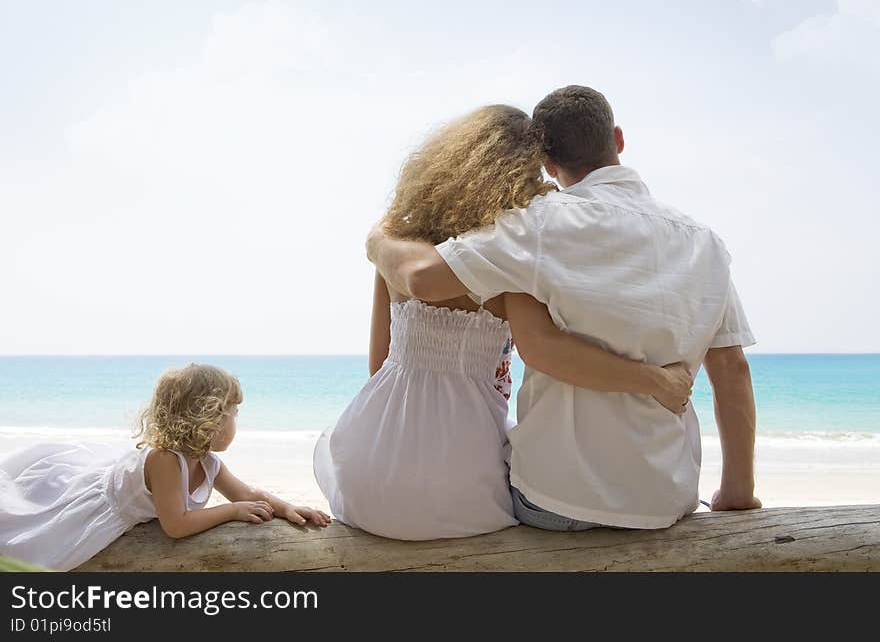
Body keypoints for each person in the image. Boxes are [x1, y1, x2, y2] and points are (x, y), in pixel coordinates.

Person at [367, 85, 761, 532]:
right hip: (665, 499)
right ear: (618, 139)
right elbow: (731, 369)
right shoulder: (704, 243)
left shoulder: (538, 223)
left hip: (556, 500)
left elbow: (423, 279)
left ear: (548, 164)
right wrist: (737, 492)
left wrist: (378, 240)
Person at [313, 105, 697, 541]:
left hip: (371, 473)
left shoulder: (395, 248)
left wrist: (377, 238)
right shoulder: (511, 261)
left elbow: (378, 367)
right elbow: (542, 347)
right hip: (460, 491)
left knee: (335, 447)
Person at [0, 363, 329, 570]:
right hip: (101, 505)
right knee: (30, 535)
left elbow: (247, 493)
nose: (236, 420)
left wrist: (288, 508)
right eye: (233, 412)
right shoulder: (166, 460)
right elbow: (176, 525)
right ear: (209, 417)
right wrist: (233, 512)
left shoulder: (209, 462)